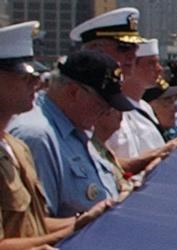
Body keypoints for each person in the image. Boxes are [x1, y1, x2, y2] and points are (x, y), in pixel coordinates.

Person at [0, 23, 109, 250]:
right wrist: (68, 232)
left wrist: (84, 221)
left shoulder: (17, 148)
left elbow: (32, 226)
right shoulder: (31, 136)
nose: (37, 83)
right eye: (25, 77)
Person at [10, 50, 130, 217]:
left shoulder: (77, 126)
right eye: (102, 104)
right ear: (74, 92)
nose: (107, 112)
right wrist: (83, 222)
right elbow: (37, 226)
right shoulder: (38, 137)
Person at [70, 7, 144, 79]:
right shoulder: (74, 88)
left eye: (135, 48)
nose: (133, 56)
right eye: (124, 47)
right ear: (95, 49)